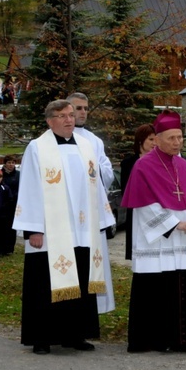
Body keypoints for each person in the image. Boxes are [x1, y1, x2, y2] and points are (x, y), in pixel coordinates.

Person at [13, 99, 115, 355]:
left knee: (80, 280)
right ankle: (42, 337)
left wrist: (100, 222)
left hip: (82, 230)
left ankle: (75, 334)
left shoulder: (86, 146)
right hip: (50, 232)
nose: (69, 119)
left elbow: (96, 186)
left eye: (71, 114)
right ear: (49, 121)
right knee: (44, 284)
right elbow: (29, 188)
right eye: (62, 116)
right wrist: (34, 229)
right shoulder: (37, 148)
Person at [121, 110, 186, 354]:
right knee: (153, 288)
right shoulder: (142, 166)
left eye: (180, 137)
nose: (178, 143)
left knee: (180, 287)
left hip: (183, 235)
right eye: (172, 138)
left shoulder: (184, 165)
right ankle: (148, 340)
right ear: (157, 139)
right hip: (157, 239)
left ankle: (180, 340)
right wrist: (177, 224)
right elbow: (145, 205)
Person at [67, 92, 116, 315]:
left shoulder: (94, 141)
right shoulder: (50, 140)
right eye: (78, 108)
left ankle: (88, 315)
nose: (83, 112)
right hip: (67, 216)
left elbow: (107, 171)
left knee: (89, 266)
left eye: (86, 108)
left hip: (90, 214)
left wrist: (92, 168)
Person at [121, 123, 156, 261]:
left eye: (156, 139)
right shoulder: (129, 163)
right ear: (141, 140)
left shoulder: (160, 162)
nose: (154, 143)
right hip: (137, 212)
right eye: (151, 139)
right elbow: (126, 190)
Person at [0, 155, 20, 255]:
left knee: (12, 227)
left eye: (12, 163)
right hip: (2, 203)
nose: (11, 165)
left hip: (14, 203)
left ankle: (10, 248)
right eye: (9, 163)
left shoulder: (18, 175)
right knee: (2, 226)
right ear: (5, 164)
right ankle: (1, 247)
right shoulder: (0, 174)